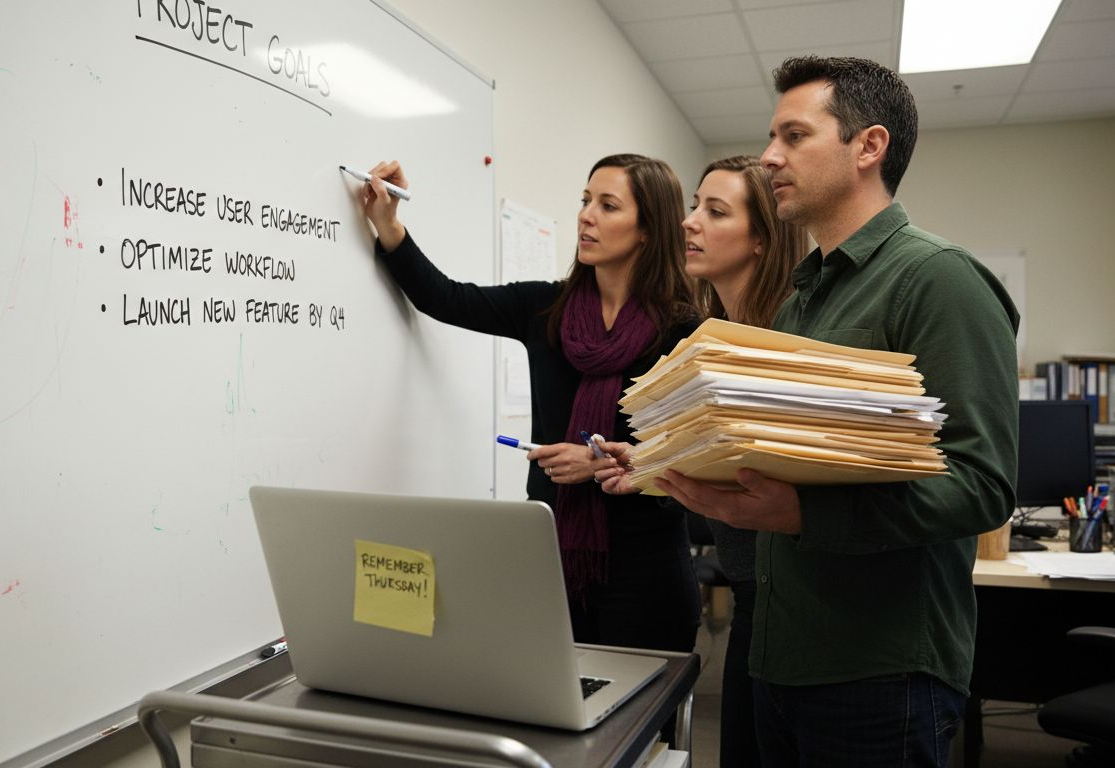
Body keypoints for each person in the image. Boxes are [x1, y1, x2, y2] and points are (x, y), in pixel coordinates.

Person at [651, 56, 1020, 767]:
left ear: (868, 147)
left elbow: (981, 485)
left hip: (880, 671)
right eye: (771, 136)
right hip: (780, 659)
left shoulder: (937, 279)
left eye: (793, 135)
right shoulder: (802, 300)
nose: (770, 156)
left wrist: (798, 513)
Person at [356, 154, 702, 656]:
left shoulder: (683, 332)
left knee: (643, 729)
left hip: (647, 570)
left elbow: (694, 454)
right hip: (553, 561)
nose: (586, 216)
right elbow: (446, 298)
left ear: (648, 229)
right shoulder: (548, 309)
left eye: (608, 205)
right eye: (586, 201)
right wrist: (388, 224)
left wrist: (602, 461)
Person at [594, 155, 807, 767]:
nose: (689, 224)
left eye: (714, 212)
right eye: (694, 206)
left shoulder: (784, 338)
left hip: (795, 601)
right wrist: (649, 461)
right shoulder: (709, 335)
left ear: (762, 239)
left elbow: (783, 473)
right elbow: (729, 460)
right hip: (749, 598)